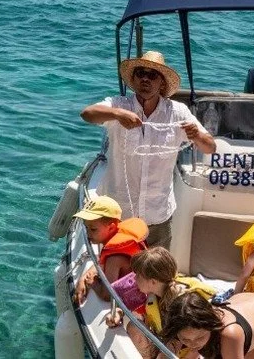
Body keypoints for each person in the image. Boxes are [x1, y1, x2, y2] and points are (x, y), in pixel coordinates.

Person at [81, 50, 216, 249]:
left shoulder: (178, 112)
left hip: (157, 216)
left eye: (152, 75)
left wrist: (196, 134)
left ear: (161, 83)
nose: (146, 78)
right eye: (140, 73)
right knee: (115, 271)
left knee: (153, 274)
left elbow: (210, 148)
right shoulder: (119, 105)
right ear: (133, 80)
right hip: (119, 215)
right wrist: (117, 114)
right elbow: (87, 114)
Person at [105, 247, 217, 358]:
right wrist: (118, 313)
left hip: (185, 348)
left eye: (138, 275)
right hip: (164, 341)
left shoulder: (182, 304)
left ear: (152, 281)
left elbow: (194, 338)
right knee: (134, 324)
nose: (134, 279)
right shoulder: (151, 292)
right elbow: (128, 306)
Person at [157, 291, 254, 359]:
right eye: (185, 340)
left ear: (210, 326)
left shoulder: (230, 334)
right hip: (249, 308)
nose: (192, 344)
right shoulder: (180, 324)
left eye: (200, 338)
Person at [72, 196, 148, 303]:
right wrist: (82, 278)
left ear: (111, 227)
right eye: (86, 228)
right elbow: (101, 263)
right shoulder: (117, 242)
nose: (88, 233)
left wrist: (93, 283)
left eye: (93, 229)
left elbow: (107, 295)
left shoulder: (114, 259)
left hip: (140, 306)